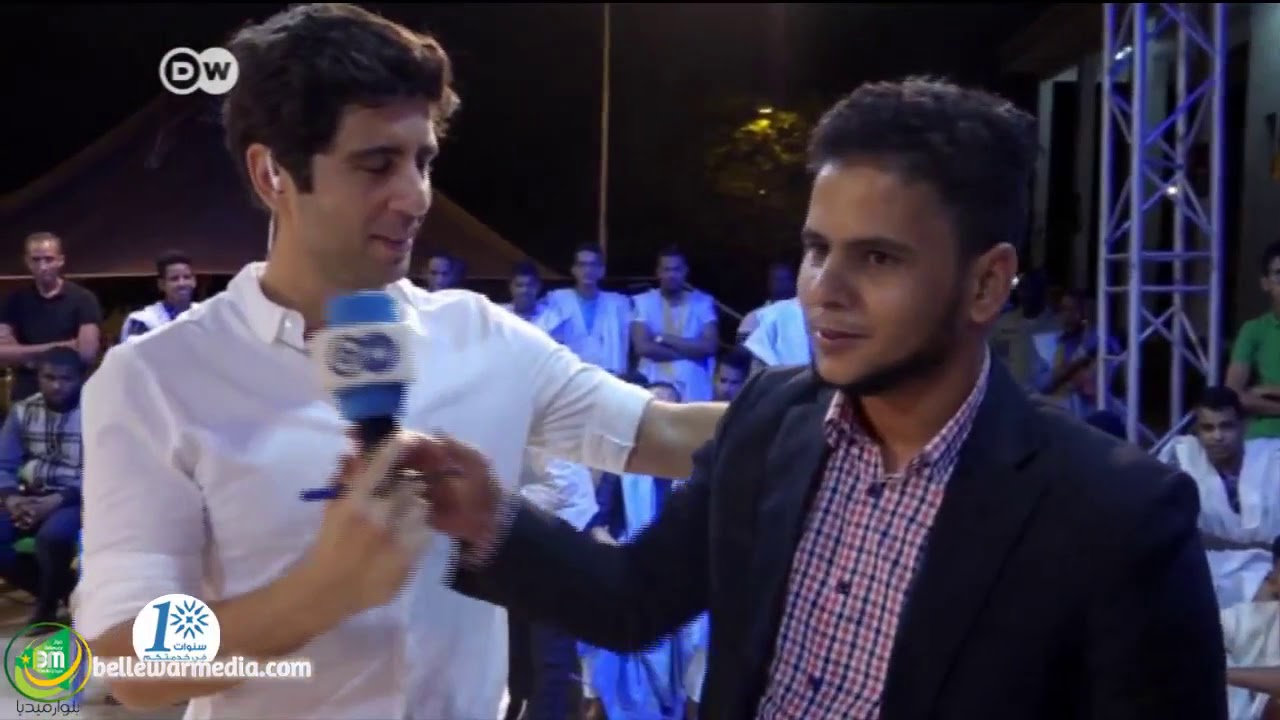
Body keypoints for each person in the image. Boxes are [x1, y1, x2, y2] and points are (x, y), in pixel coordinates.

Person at [415, 78, 1227, 718]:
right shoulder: (773, 421)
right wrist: (486, 518)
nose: (822, 291)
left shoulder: (1115, 513)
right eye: (815, 249)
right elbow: (634, 600)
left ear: (987, 284)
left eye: (877, 259)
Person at [75, 5, 723, 719]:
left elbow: (666, 434)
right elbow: (130, 660)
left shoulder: (483, 335)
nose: (416, 196)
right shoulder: (156, 378)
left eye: (423, 161)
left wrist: (817, 397)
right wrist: (320, 593)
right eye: (376, 164)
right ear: (272, 173)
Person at [0, 347, 84, 624]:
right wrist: (12, 499)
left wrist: (55, 501)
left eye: (66, 378)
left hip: (77, 497)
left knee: (52, 538)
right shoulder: (23, 411)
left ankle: (47, 606)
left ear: (80, 379)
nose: (57, 385)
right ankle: (62, 592)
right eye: (50, 377)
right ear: (38, 377)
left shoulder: (97, 411)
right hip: (31, 496)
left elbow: (106, 471)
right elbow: (3, 464)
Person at [119, 250, 199, 342]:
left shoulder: (206, 315)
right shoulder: (142, 321)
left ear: (194, 281)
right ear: (161, 284)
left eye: (187, 277)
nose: (182, 283)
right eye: (174, 279)